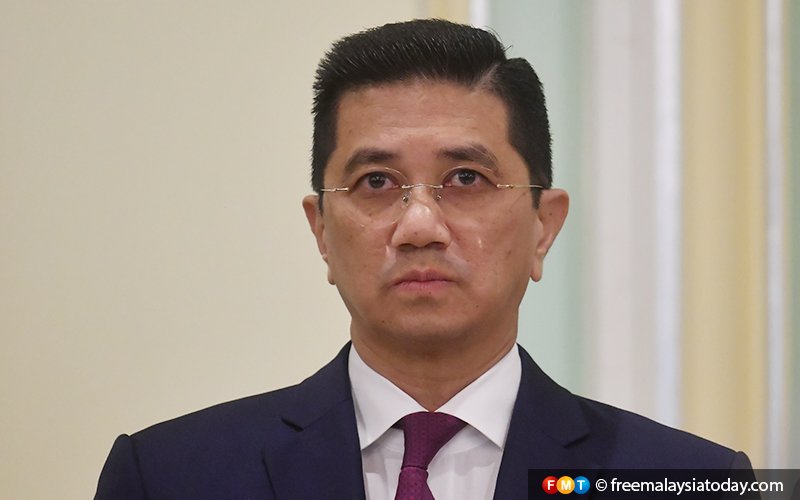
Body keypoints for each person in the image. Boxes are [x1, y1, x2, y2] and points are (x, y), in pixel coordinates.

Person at [95, 19, 753, 500]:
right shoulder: (169, 476)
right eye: (376, 182)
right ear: (321, 230)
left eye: (466, 179)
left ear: (543, 226)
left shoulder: (692, 480)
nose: (419, 226)